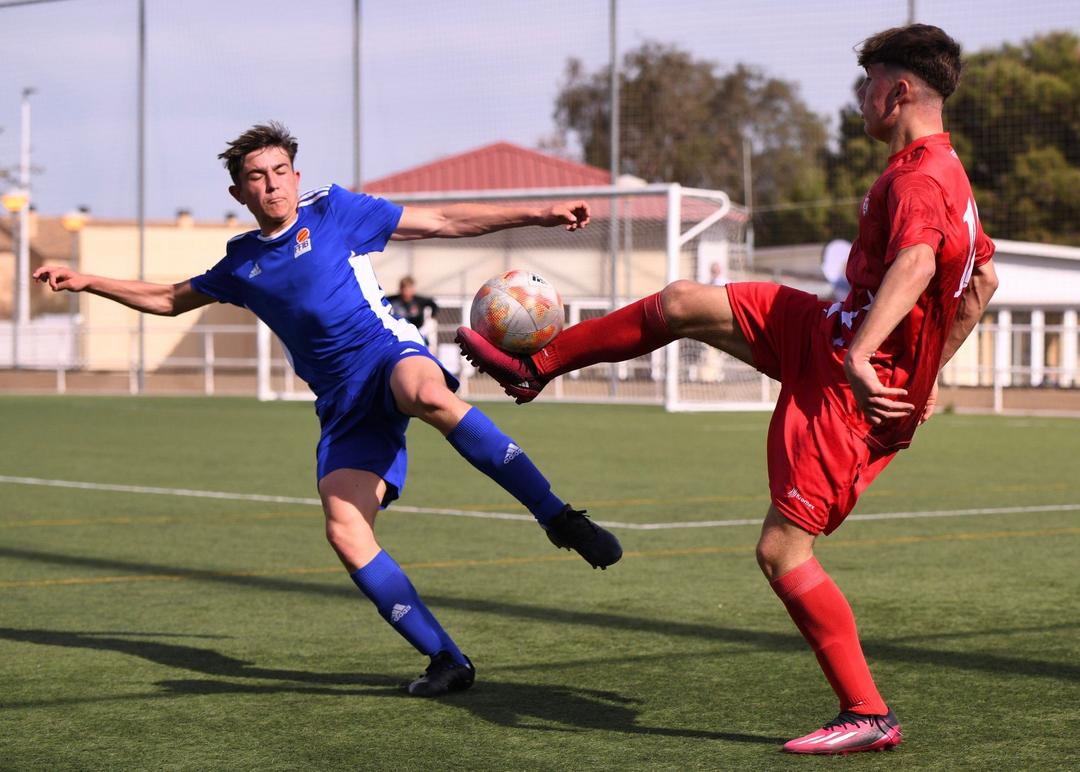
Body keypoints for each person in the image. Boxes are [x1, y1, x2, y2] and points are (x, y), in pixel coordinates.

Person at [456, 24, 998, 753]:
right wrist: (926, 369)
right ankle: (536, 367)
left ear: (898, 91)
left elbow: (920, 264)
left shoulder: (918, 180)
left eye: (867, 84)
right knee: (682, 301)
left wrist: (867, 357)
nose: (859, 99)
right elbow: (982, 281)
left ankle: (868, 713)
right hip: (826, 335)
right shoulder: (944, 172)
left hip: (849, 391)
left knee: (782, 552)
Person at [33, 121, 622, 699]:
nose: (272, 184)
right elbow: (167, 299)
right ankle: (446, 657)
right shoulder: (241, 264)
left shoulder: (334, 211)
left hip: (386, 353)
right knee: (344, 530)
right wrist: (85, 280)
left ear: (297, 176)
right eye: (257, 177)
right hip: (341, 404)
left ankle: (557, 517)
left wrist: (539, 213)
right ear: (239, 193)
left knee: (426, 393)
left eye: (281, 171)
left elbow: (443, 220)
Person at [386, 276, 438, 347]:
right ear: (400, 289)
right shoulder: (393, 300)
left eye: (409, 289)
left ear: (413, 289)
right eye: (404, 289)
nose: (406, 292)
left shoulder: (419, 300)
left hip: (418, 332)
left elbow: (433, 304)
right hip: (399, 333)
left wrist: (432, 316)